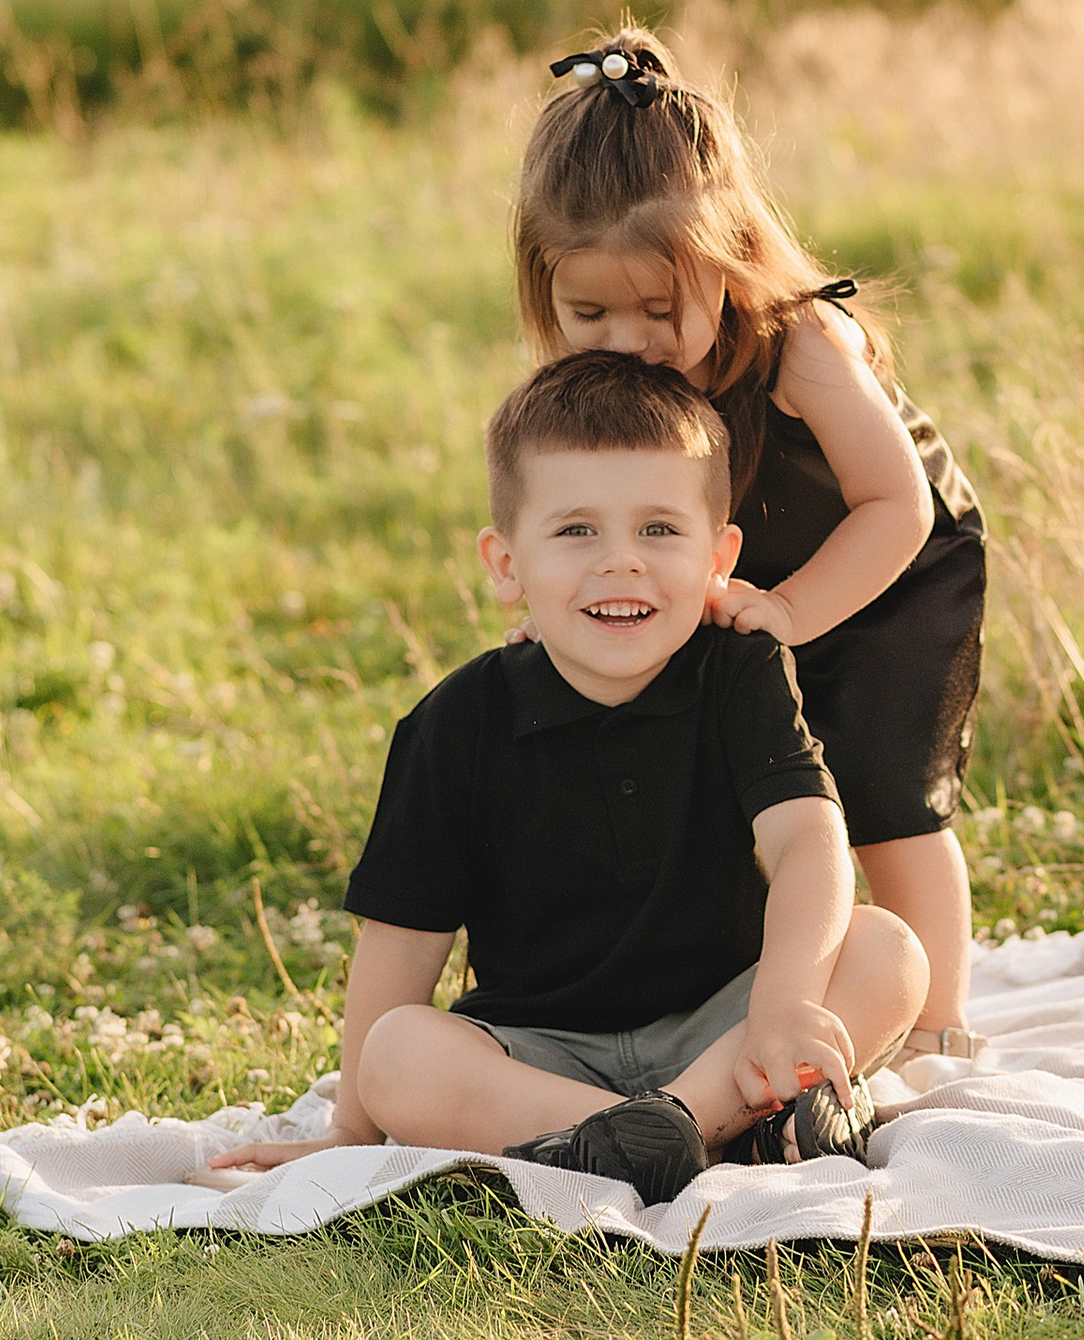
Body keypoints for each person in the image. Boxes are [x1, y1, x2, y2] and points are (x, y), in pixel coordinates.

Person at [212, 353, 929, 1201]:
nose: (620, 562)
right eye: (576, 531)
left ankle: (667, 1134)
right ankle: (710, 1131)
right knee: (398, 1053)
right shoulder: (457, 721)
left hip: (725, 1026)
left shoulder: (740, 671)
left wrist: (783, 1004)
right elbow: (402, 939)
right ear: (506, 563)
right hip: (540, 1050)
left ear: (719, 557)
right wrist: (351, 1132)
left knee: (886, 951)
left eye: (659, 531)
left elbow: (807, 839)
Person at [513, 29, 985, 1058]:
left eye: (658, 308)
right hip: (740, 572)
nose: (626, 341)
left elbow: (895, 505)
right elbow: (566, 505)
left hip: (891, 566)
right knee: (754, 780)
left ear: (726, 261)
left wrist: (792, 613)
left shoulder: (796, 344)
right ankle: (769, 983)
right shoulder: (595, 376)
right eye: (587, 312)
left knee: (883, 788)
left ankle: (936, 1025)